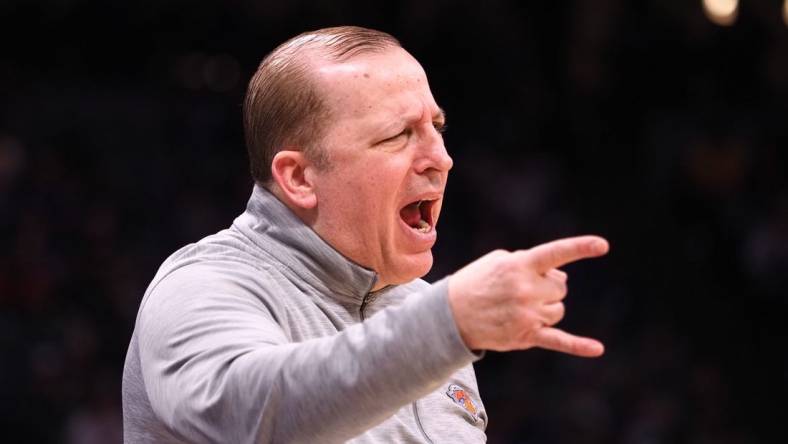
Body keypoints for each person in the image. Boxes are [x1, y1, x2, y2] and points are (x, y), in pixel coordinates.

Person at [122, 26, 609, 443]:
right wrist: (447, 325)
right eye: (398, 135)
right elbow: (250, 419)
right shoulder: (202, 286)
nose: (440, 158)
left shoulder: (417, 308)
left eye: (436, 127)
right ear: (299, 178)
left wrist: (443, 324)